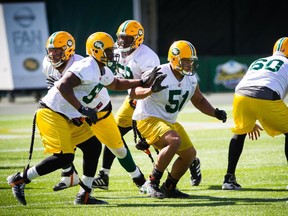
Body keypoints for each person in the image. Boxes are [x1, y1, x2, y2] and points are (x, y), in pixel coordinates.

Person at [93, 20, 202, 190]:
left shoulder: (147, 57)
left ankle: (189, 162)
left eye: (126, 38)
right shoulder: (117, 50)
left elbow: (149, 87)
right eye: (120, 38)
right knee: (114, 134)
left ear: (137, 38)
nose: (121, 42)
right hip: (132, 97)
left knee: (162, 143)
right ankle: (104, 175)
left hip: (144, 99)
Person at [52, 31, 164, 192]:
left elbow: (116, 84)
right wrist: (79, 109)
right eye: (109, 51)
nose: (113, 53)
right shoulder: (85, 65)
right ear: (96, 50)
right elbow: (62, 87)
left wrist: (141, 81)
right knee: (73, 147)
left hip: (99, 111)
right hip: (79, 112)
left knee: (116, 147)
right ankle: (75, 181)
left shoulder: (99, 67)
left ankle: (137, 179)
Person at [6, 31, 106, 205]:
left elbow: (82, 91)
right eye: (50, 51)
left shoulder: (81, 64)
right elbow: (57, 90)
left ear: (69, 49)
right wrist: (79, 110)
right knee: (65, 156)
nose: (52, 54)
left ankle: (84, 194)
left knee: (93, 146)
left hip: (70, 112)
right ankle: (21, 179)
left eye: (57, 51)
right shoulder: (48, 64)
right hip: (55, 111)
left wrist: (78, 113)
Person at [131, 40, 227, 198]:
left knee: (189, 155)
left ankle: (169, 187)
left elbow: (199, 100)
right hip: (147, 118)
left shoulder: (191, 79)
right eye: (186, 61)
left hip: (168, 120)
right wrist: (149, 89)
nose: (189, 65)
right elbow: (133, 93)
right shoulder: (158, 72)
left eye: (191, 61)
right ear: (174, 59)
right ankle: (152, 183)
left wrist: (215, 112)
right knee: (174, 140)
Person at [222, 37, 288, 190]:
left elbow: (252, 83)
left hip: (240, 95)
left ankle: (228, 179)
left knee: (240, 133)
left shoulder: (259, 61)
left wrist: (253, 114)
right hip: (266, 94)